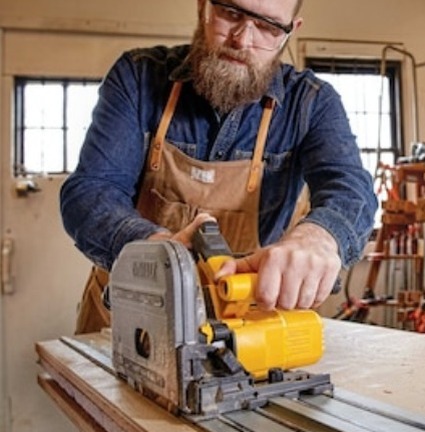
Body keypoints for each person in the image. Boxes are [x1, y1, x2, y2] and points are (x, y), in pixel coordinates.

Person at [60, 0, 378, 334]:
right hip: (130, 311)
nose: (242, 40)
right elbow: (91, 190)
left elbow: (350, 189)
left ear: (289, 32)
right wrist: (156, 251)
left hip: (245, 324)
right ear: (203, 6)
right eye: (231, 13)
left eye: (268, 26)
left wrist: (318, 239)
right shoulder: (138, 77)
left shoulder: (311, 103)